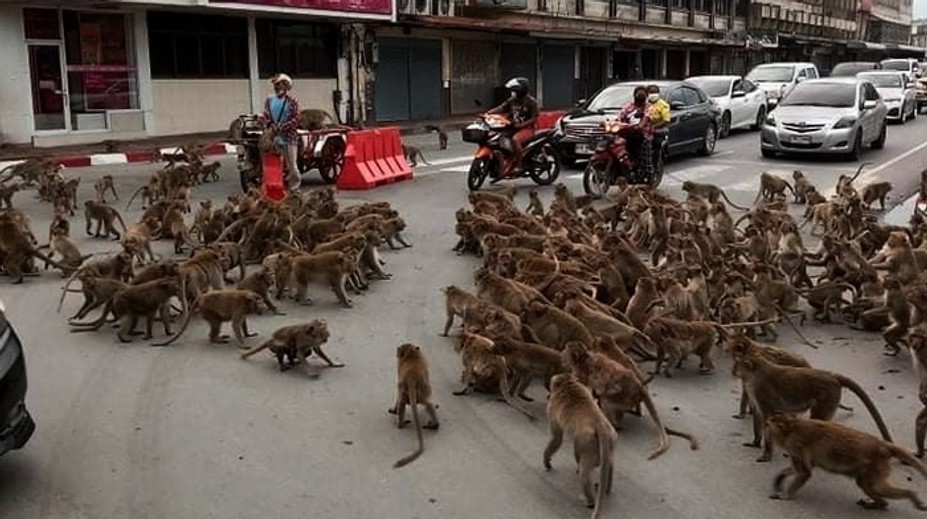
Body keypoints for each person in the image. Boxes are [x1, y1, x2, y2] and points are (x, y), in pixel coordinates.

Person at [487, 77, 539, 176]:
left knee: (515, 140)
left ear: (521, 91)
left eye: (515, 90)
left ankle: (520, 164)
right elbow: (502, 108)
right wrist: (488, 113)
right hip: (513, 127)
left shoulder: (532, 102)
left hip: (527, 129)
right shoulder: (513, 100)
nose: (513, 92)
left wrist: (521, 125)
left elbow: (534, 118)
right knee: (498, 138)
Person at [263, 73, 301, 191]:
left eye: (280, 84)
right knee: (273, 163)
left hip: (289, 137)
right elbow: (266, 115)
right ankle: (275, 185)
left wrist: (283, 126)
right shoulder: (269, 100)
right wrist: (269, 124)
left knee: (291, 165)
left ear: (286, 86)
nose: (277, 87)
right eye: (276, 85)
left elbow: (296, 119)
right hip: (274, 136)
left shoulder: (292, 101)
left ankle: (294, 188)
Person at [617, 86, 654, 183]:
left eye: (642, 95)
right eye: (638, 95)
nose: (640, 97)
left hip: (643, 135)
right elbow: (620, 116)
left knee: (644, 158)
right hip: (628, 134)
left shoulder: (648, 107)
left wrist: (640, 125)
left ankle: (647, 179)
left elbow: (646, 117)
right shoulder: (628, 106)